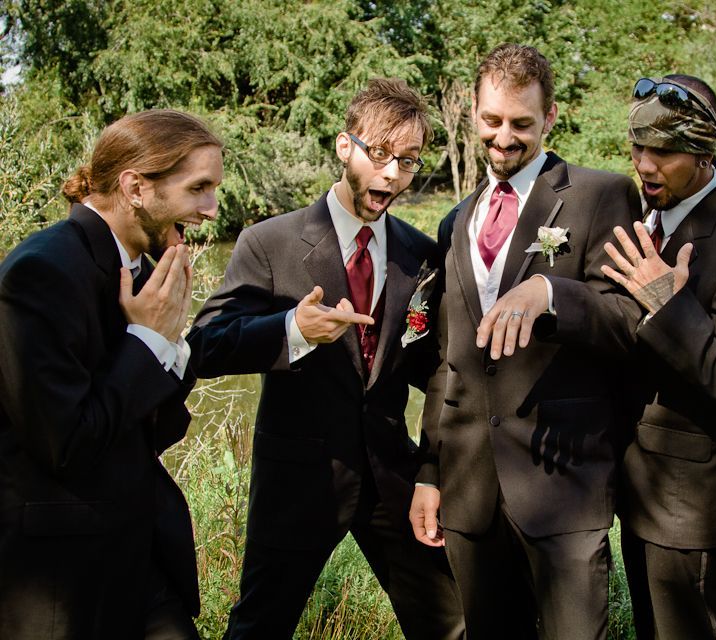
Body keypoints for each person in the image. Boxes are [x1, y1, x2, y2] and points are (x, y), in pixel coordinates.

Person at [187, 78, 464, 640]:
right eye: (380, 154)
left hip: (391, 475)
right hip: (299, 477)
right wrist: (293, 329)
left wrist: (433, 467)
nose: (392, 174)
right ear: (345, 146)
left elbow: (430, 366)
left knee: (449, 622)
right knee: (260, 626)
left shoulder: (420, 253)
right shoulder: (269, 242)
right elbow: (207, 343)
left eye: (407, 162)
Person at [408, 43, 642, 640]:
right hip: (468, 488)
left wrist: (554, 293)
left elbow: (629, 326)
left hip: (562, 481)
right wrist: (429, 472)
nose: (504, 137)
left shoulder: (599, 196)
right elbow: (447, 362)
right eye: (492, 121)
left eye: (521, 123)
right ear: (473, 113)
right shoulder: (455, 220)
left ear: (551, 117)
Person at [0, 109, 223, 639]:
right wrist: (149, 341)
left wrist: (166, 340)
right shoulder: (42, 271)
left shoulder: (144, 272)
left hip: (137, 558)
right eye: (199, 188)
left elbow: (159, 428)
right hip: (60, 577)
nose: (211, 209)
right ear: (135, 187)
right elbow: (65, 443)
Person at [602, 74, 716, 639]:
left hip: (688, 507)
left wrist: (668, 306)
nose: (646, 165)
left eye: (665, 151)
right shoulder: (647, 219)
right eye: (639, 147)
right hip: (640, 486)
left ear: (704, 152)